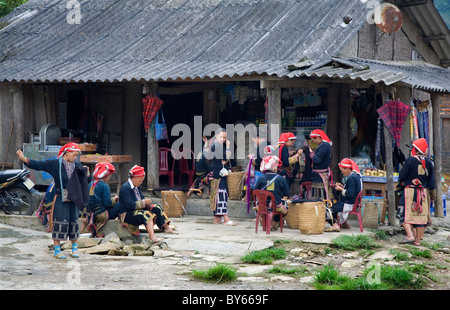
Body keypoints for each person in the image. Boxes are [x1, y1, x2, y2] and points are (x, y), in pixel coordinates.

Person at [17, 142, 89, 259]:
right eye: (73, 155)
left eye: (76, 156)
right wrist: (23, 158)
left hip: (74, 198)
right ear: (66, 153)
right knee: (60, 222)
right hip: (60, 197)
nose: (75, 158)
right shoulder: (55, 164)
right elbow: (39, 165)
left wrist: (86, 173)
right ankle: (57, 250)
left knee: (74, 222)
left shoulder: (77, 166)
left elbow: (84, 181)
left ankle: (74, 249)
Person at [118, 165, 176, 242]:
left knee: (156, 207)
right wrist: (143, 203)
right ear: (134, 178)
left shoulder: (136, 186)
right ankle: (152, 237)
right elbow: (129, 205)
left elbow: (141, 197)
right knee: (146, 214)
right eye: (140, 180)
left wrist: (146, 202)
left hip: (137, 209)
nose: (141, 183)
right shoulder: (126, 188)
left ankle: (167, 228)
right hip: (127, 213)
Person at [397, 138, 435, 246]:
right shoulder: (429, 162)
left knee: (402, 212)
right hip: (423, 192)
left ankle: (409, 235)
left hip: (409, 191)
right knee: (420, 216)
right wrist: (432, 195)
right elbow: (431, 181)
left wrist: (401, 184)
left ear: (415, 149)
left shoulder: (410, 161)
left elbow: (402, 175)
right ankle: (417, 241)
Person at [82, 162, 119, 237]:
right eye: (110, 175)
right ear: (106, 176)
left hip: (90, 213)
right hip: (100, 215)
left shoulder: (91, 184)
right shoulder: (105, 186)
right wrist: (114, 200)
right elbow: (107, 203)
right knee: (120, 204)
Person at [325, 158, 363, 232]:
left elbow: (350, 194)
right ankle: (344, 223)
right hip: (354, 203)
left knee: (327, 209)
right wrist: (342, 187)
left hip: (349, 204)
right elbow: (352, 190)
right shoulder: (356, 176)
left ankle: (335, 225)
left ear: (348, 169)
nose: (342, 172)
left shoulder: (352, 178)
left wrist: (341, 189)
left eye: (342, 170)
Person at [254, 155, 290, 231]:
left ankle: (265, 222)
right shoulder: (280, 178)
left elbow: (255, 191)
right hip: (276, 205)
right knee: (285, 208)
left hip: (262, 205)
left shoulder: (261, 178)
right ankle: (273, 223)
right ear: (274, 168)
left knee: (264, 206)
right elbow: (286, 193)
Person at [209, 128, 236, 225]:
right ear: (216, 136)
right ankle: (226, 218)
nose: (223, 139)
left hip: (217, 174)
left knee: (217, 195)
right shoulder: (217, 146)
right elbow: (226, 157)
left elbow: (227, 159)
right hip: (217, 175)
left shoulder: (218, 146)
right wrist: (228, 146)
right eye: (221, 137)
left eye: (224, 137)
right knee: (222, 195)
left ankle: (217, 218)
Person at [299, 129, 333, 199]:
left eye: (314, 139)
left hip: (320, 176)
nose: (313, 141)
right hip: (320, 174)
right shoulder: (324, 145)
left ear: (319, 137)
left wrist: (311, 153)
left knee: (319, 195)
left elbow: (317, 160)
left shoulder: (324, 146)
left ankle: (321, 207)